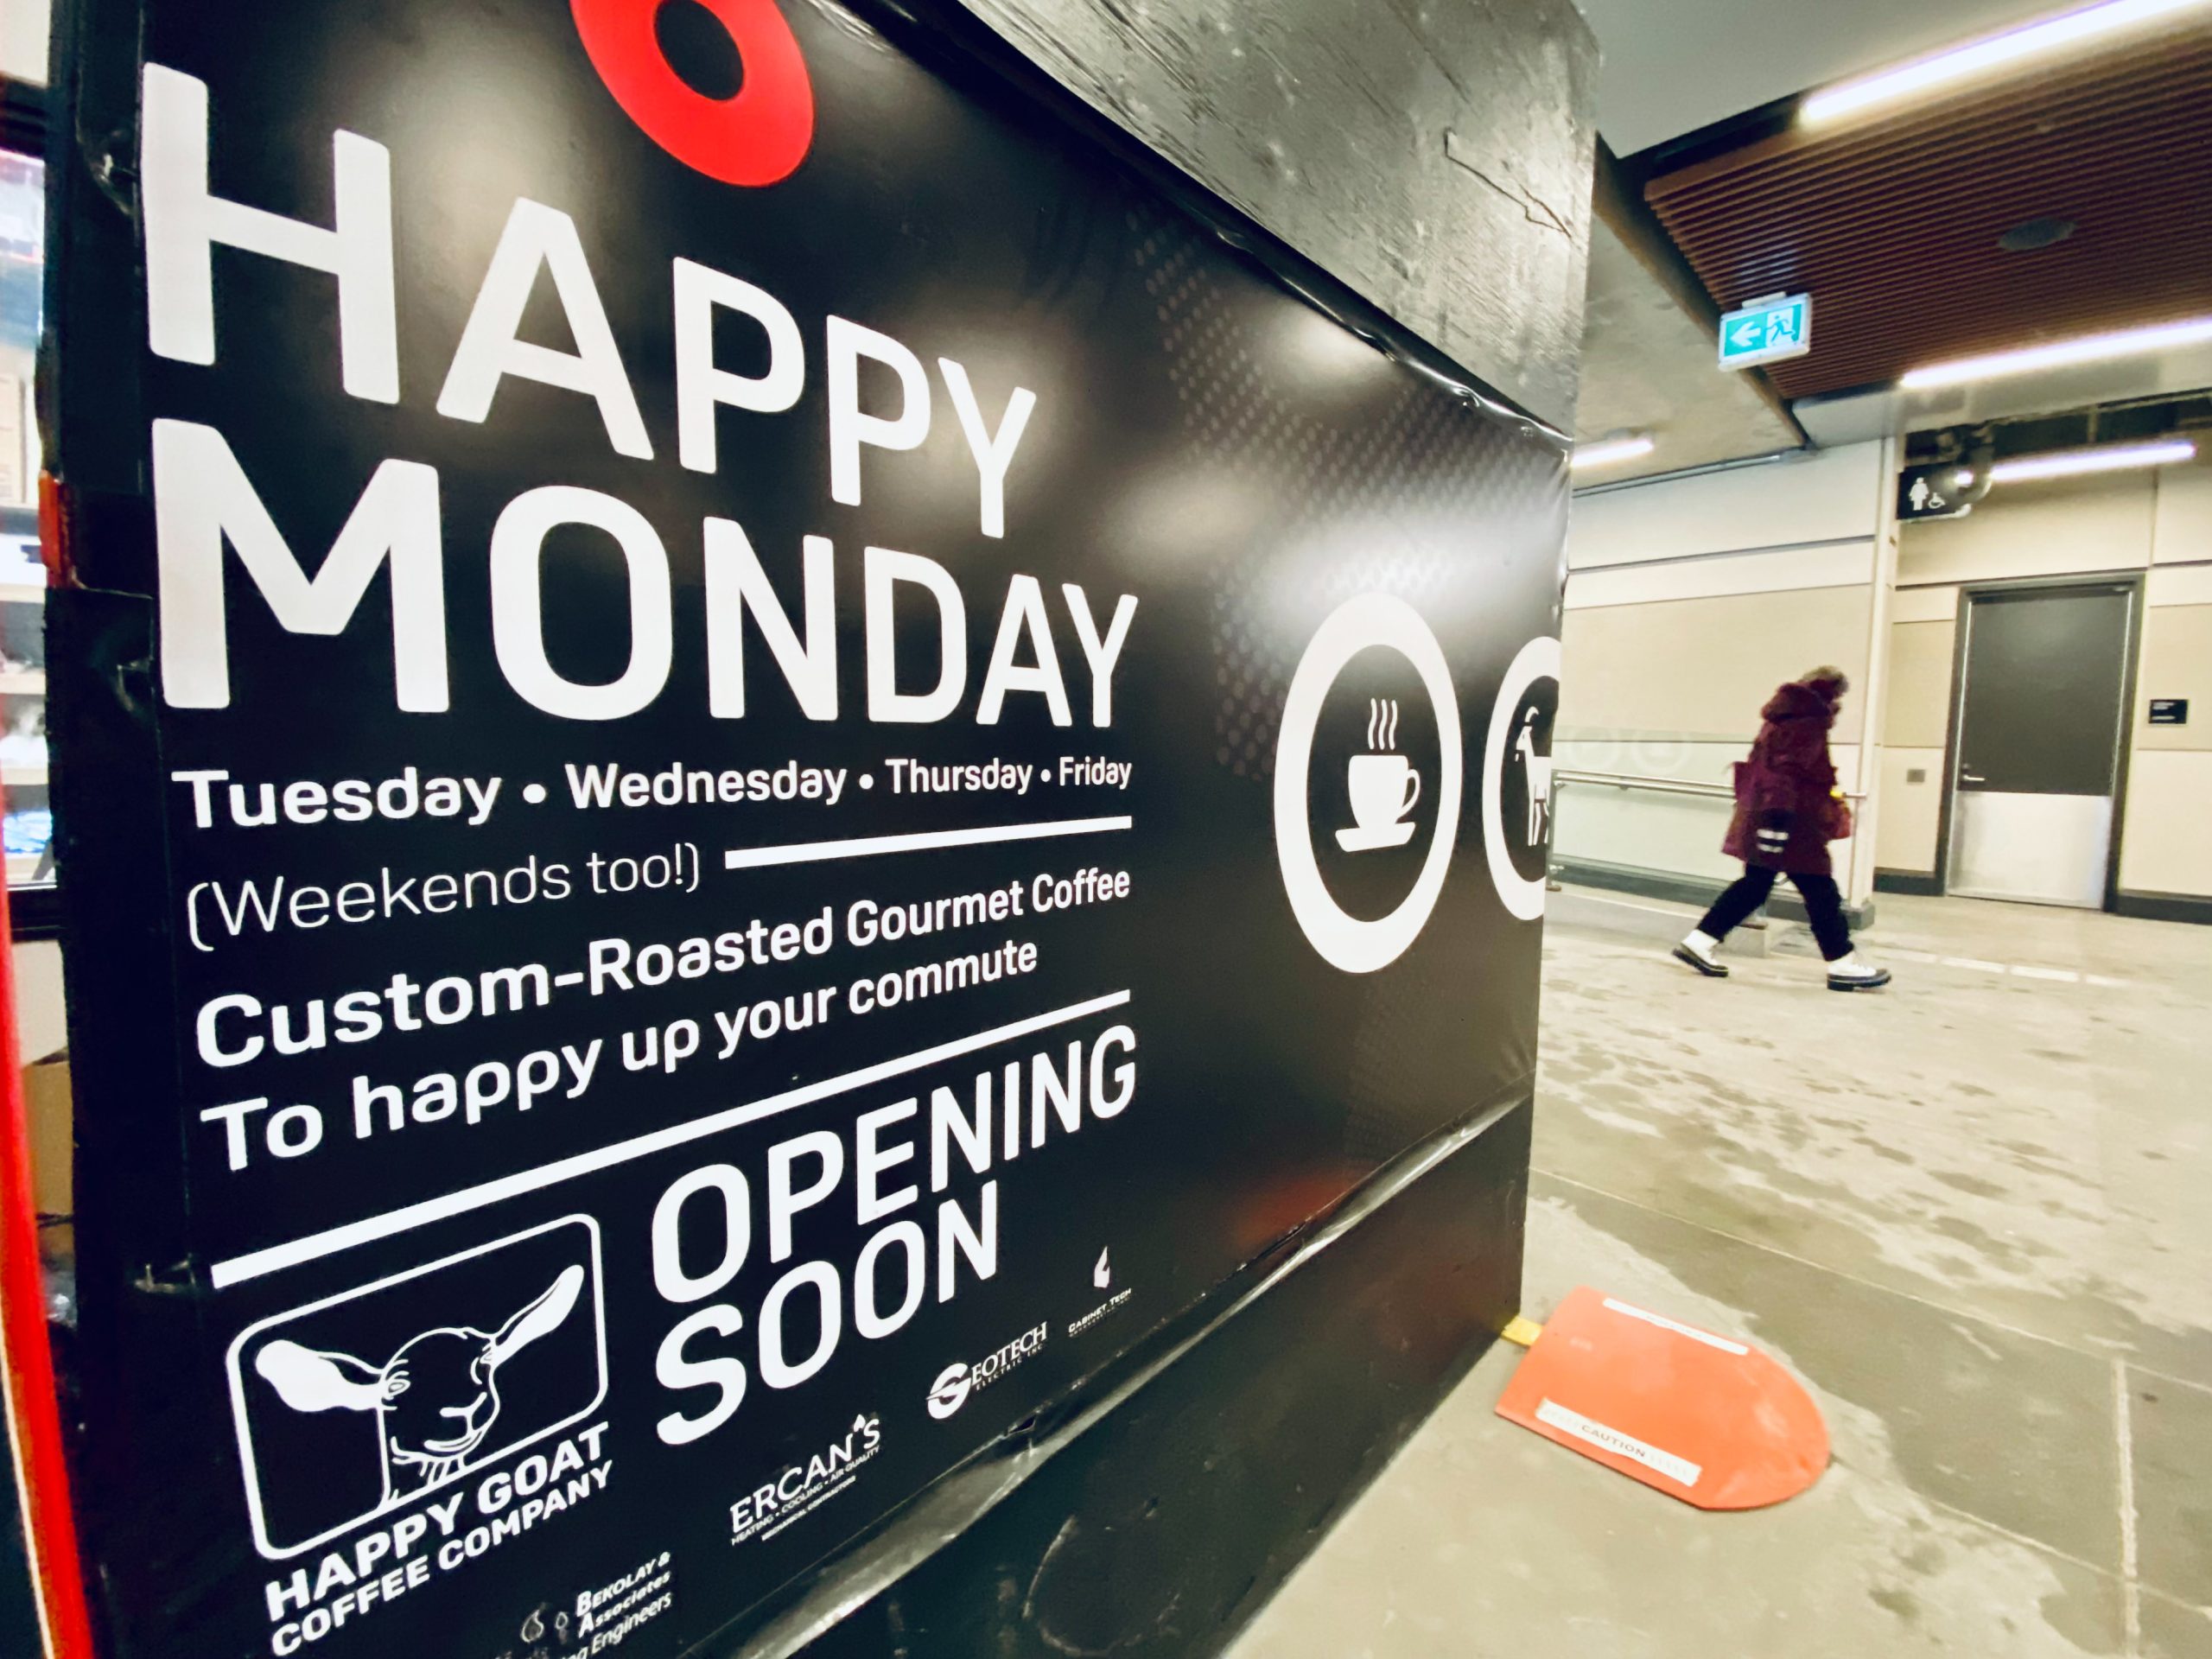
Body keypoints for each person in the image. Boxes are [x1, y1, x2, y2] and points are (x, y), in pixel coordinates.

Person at [1673, 667, 1890, 991]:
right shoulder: (1807, 722)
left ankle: (1699, 941)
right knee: (1821, 893)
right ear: (1830, 694)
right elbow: (1784, 776)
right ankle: (1842, 964)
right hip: (1792, 824)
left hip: (1772, 818)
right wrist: (1777, 824)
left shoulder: (1782, 718)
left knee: (1755, 885)